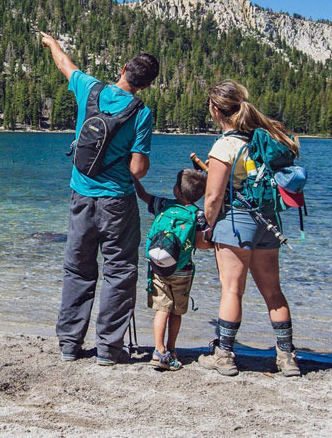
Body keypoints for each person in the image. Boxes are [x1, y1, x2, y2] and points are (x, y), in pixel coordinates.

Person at [40, 32, 159, 365]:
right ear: (146, 85)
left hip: (81, 196)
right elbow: (138, 168)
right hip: (117, 202)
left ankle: (69, 344)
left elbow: (65, 65)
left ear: (122, 69)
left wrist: (52, 44)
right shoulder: (141, 113)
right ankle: (108, 348)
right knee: (119, 272)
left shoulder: (90, 89)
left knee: (77, 269)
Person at [199, 80, 302, 377]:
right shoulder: (263, 138)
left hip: (236, 221)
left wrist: (207, 224)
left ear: (216, 110)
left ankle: (225, 355)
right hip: (269, 221)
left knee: (232, 289)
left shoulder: (225, 145)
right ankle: (287, 357)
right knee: (273, 291)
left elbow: (214, 197)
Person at [134, 169, 209, 371]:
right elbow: (202, 243)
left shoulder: (164, 205)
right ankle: (171, 349)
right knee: (176, 311)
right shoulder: (198, 215)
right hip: (182, 270)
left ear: (176, 189)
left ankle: (159, 351)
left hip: (158, 268)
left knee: (162, 309)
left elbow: (143, 196)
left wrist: (133, 178)